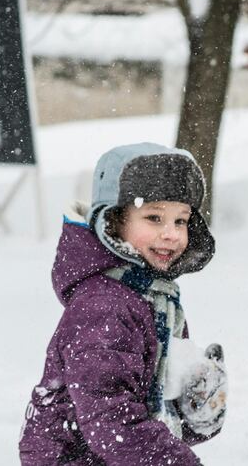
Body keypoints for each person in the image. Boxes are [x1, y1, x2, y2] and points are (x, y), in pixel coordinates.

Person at [19, 143, 226, 465]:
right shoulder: (105, 307)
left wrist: (196, 415)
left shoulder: (158, 300)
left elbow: (154, 410)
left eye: (181, 221)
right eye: (154, 218)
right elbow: (111, 421)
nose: (171, 234)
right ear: (113, 222)